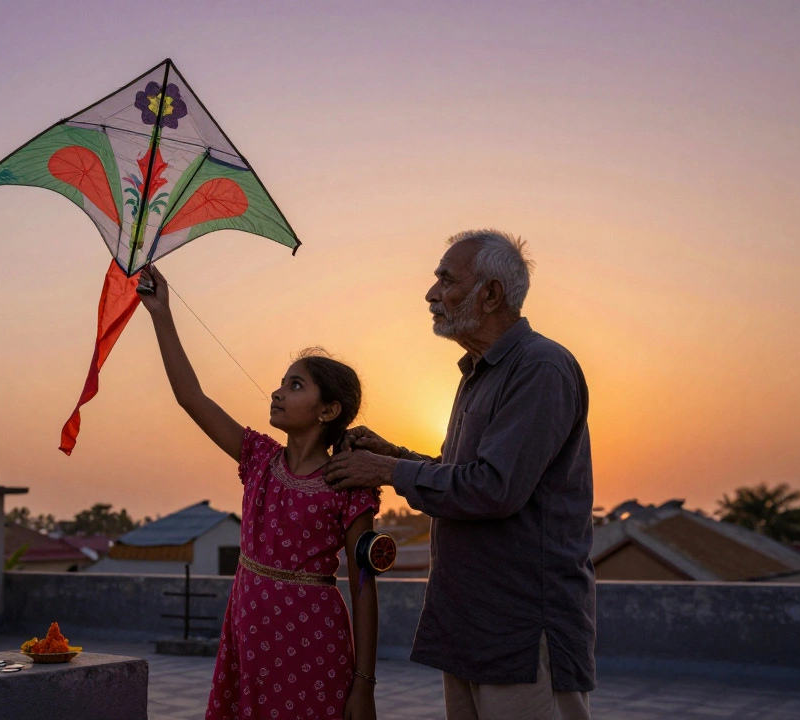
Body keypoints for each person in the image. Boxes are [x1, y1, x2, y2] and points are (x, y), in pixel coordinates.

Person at [324, 230, 595, 720]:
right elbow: (463, 478)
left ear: (490, 293)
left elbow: (493, 490)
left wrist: (386, 468)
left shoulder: (540, 367)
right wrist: (393, 453)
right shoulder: (479, 373)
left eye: (445, 280)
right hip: (470, 624)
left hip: (520, 629)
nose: (431, 295)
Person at [138, 265, 380, 720]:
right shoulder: (259, 459)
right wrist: (160, 315)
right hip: (249, 638)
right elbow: (191, 397)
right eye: (282, 381)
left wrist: (363, 686)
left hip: (313, 644)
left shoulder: (349, 483)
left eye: (295, 385)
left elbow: (364, 587)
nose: (277, 392)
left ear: (329, 409)